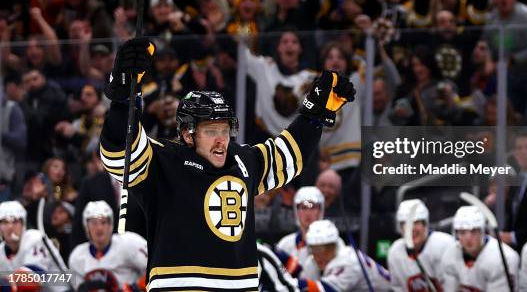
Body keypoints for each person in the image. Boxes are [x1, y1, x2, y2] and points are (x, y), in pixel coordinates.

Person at [98, 37, 355, 290]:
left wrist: (314, 115)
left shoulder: (243, 160)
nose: (221, 140)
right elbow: (119, 154)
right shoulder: (163, 161)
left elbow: (289, 155)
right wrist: (123, 100)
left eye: (225, 130)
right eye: (211, 131)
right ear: (187, 134)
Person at [69, 201, 147, 291]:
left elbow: (154, 270)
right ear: (86, 227)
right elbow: (75, 286)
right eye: (94, 223)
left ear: (111, 224)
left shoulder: (130, 243)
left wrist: (135, 288)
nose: (99, 228)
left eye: (103, 222)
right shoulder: (77, 257)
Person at [441, 205, 519, 291]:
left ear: (483, 231)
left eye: (474, 231)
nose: (468, 237)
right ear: (456, 234)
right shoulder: (450, 254)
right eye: (462, 232)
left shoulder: (503, 258)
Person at [300, 219, 391, 291]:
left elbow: (326, 289)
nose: (320, 255)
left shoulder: (349, 262)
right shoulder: (312, 261)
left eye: (326, 249)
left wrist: (293, 283)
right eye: (315, 249)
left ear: (334, 246)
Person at [387, 199, 454, 291]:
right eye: (405, 223)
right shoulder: (395, 252)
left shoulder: (445, 245)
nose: (412, 228)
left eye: (416, 222)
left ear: (425, 224)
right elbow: (398, 288)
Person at [0, 201, 64, 279]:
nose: (10, 227)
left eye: (15, 221)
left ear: (23, 224)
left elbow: (31, 281)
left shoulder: (35, 238)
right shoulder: (1, 250)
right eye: (5, 222)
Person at [276, 186, 325, 265]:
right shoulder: (285, 244)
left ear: (320, 210)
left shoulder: (333, 243)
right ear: (296, 210)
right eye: (303, 207)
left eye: (313, 207)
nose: (308, 212)